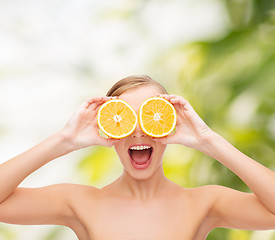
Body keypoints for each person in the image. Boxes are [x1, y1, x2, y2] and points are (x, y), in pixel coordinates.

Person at [0, 75, 274, 240]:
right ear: (108, 129)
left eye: (151, 116)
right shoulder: (81, 203)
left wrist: (207, 140)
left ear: (169, 124)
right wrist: (63, 140)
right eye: (125, 119)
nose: (139, 132)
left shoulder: (203, 203)